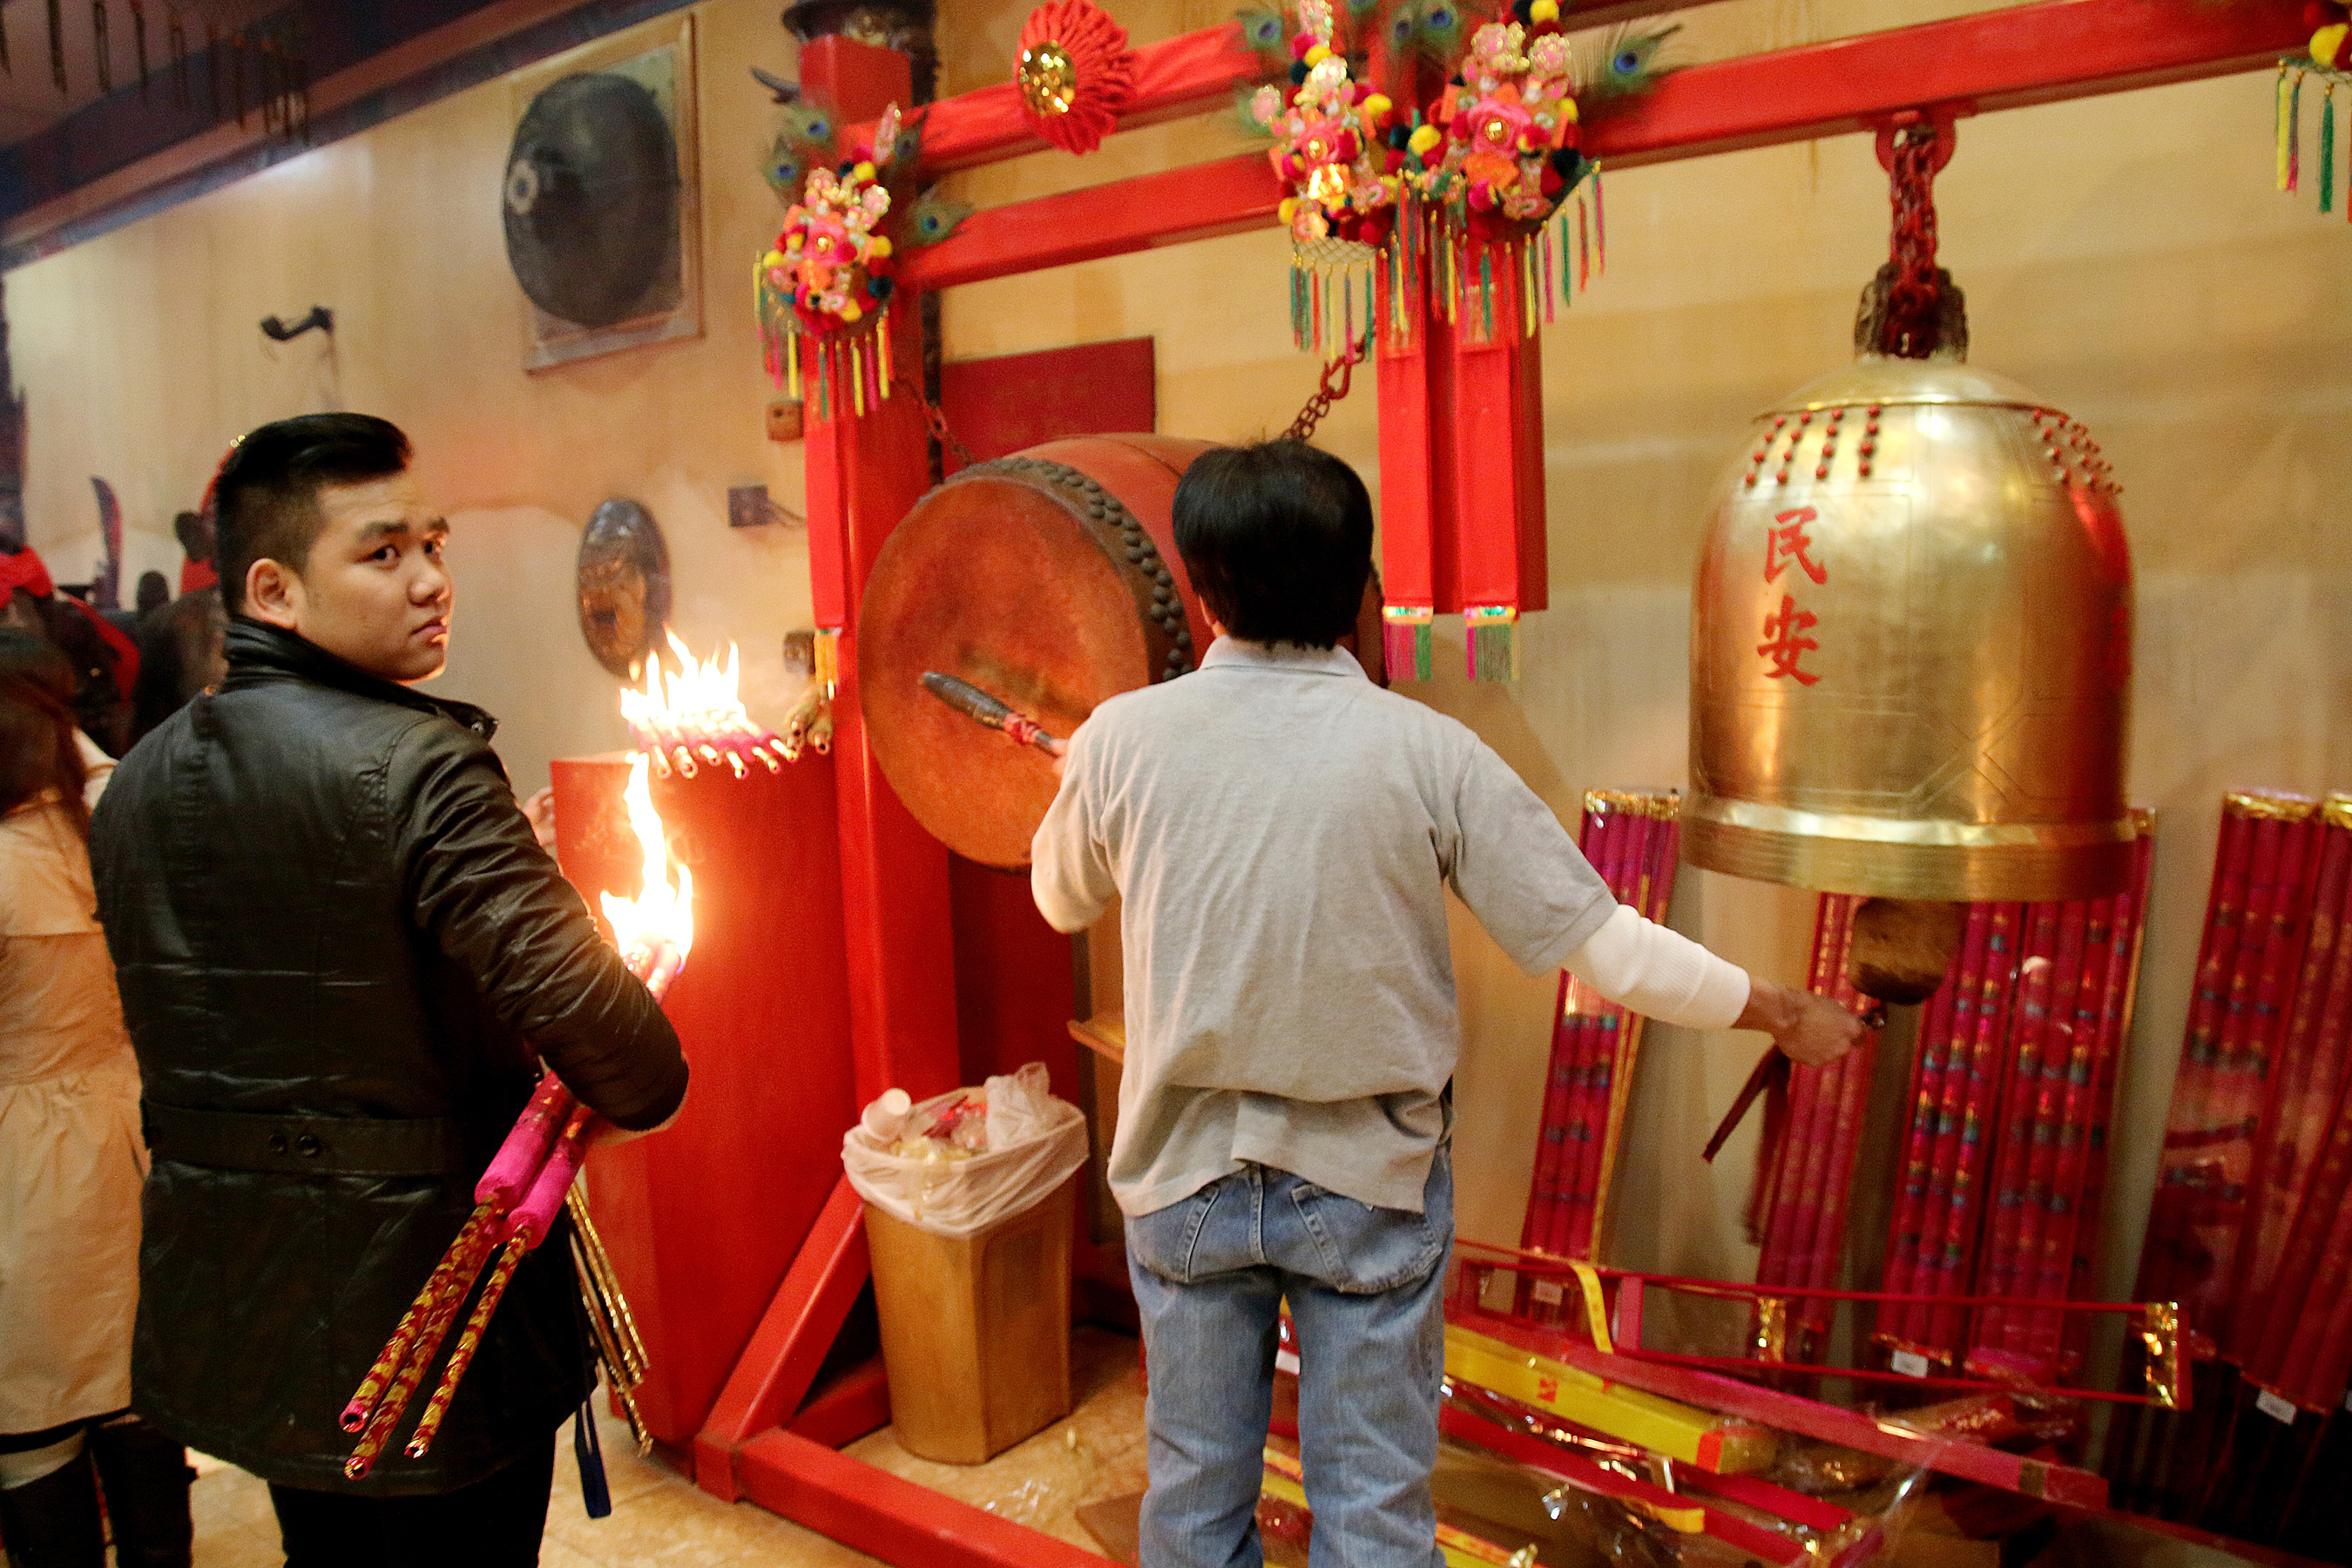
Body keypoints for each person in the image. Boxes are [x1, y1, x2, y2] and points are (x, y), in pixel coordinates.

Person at [1029, 440, 1866, 1568]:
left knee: (1192, 1501)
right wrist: (1779, 1011)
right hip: (1367, 1187)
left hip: (1184, 1186)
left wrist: (1079, 783)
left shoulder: (1122, 739)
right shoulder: (1432, 753)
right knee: (1374, 1511)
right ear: (1362, 591)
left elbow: (1061, 898)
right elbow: (1609, 952)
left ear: (1202, 591)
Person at [90, 414, 689, 1567]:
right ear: (273, 589)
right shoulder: (419, 766)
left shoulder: (136, 784)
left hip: (237, 1300)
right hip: (425, 1316)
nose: (430, 581)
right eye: (382, 553)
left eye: (434, 544)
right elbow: (634, 1062)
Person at [0, 629, 195, 1568]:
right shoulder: (116, 816)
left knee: (34, 1418)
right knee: (139, 1403)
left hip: (23, 1169)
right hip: (133, 1138)